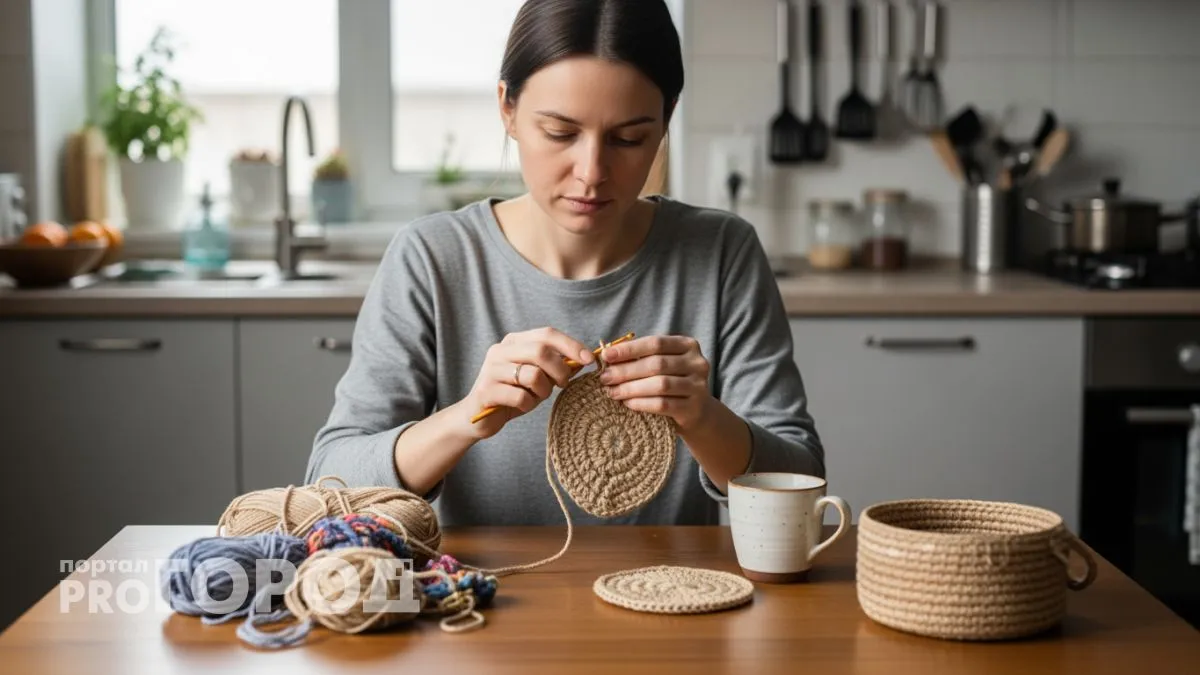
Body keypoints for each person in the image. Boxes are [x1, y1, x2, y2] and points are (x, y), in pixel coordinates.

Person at [307, 0, 824, 527]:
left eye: (628, 138)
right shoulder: (433, 258)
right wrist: (468, 416)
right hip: (484, 601)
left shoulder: (721, 252)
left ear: (666, 122)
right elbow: (328, 481)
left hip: (680, 597)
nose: (591, 172)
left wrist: (703, 417)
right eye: (560, 132)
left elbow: (803, 476)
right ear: (507, 108)